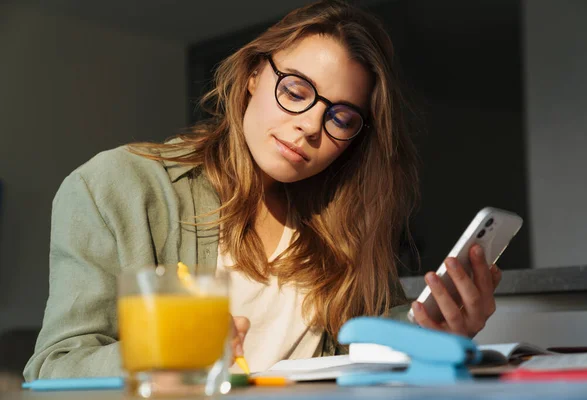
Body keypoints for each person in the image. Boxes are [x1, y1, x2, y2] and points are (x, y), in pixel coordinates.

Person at [24, 0, 501, 380]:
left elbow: (355, 351)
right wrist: (166, 350)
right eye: (295, 91)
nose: (310, 127)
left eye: (340, 117)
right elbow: (55, 369)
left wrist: (432, 329)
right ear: (253, 74)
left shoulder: (343, 221)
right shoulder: (117, 186)